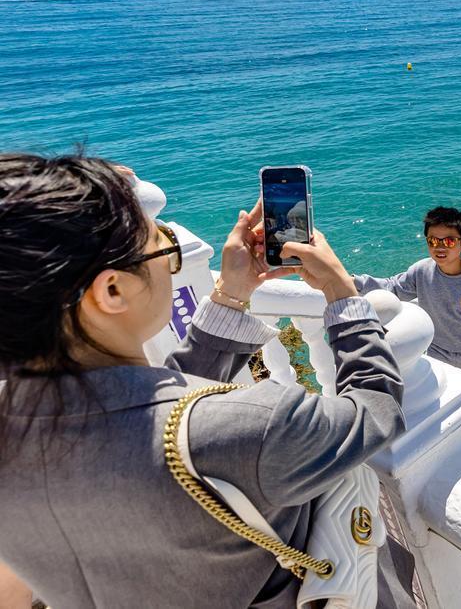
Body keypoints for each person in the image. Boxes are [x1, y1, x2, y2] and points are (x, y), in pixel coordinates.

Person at [0, 153, 410, 608]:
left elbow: (149, 413)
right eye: (163, 245)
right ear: (112, 291)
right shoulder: (257, 427)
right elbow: (376, 411)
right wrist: (342, 295)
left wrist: (231, 295)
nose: (170, 259)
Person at [354, 206, 461, 383]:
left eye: (448, 241)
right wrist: (355, 282)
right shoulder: (421, 271)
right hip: (436, 352)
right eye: (433, 241)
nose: (440, 247)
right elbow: (392, 287)